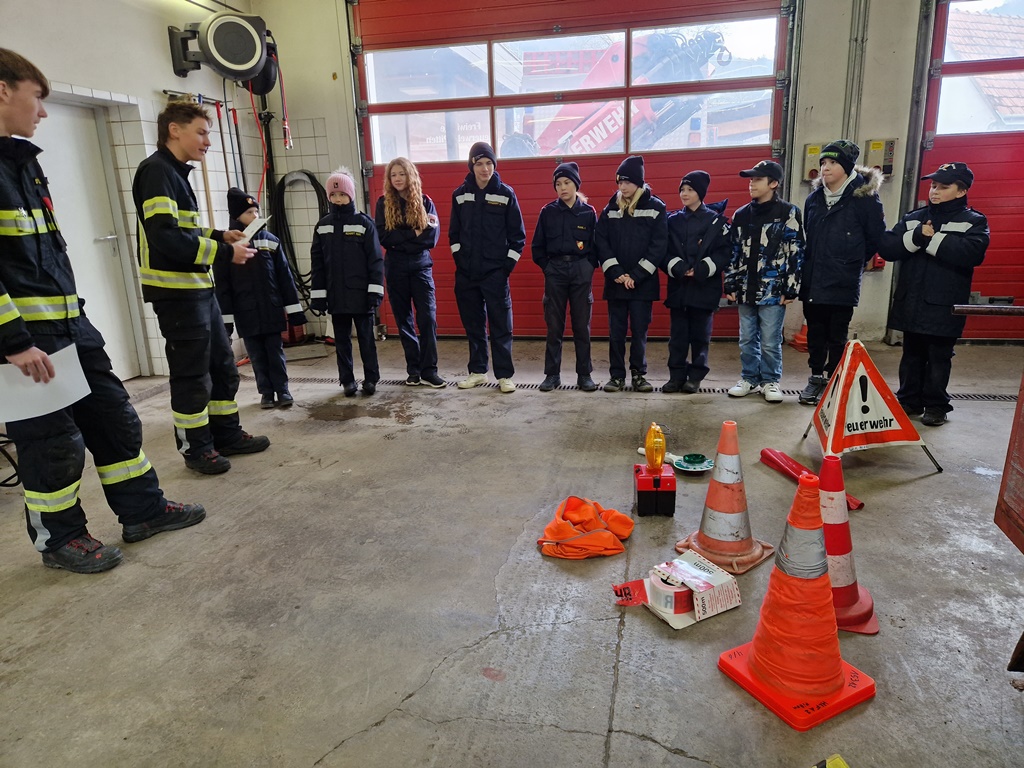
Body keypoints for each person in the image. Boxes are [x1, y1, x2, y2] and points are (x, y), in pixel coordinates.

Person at [0, 48, 204, 573]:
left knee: (115, 419)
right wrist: (14, 342)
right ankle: (60, 539)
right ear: (3, 90)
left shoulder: (22, 165)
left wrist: (78, 318)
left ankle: (143, 512)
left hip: (70, 326)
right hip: (25, 341)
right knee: (51, 443)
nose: (43, 112)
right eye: (37, 98)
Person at [133, 101, 269, 475]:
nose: (208, 141)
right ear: (174, 130)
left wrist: (219, 235)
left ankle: (226, 435)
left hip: (197, 289)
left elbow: (185, 231)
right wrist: (225, 252)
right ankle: (196, 448)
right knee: (192, 376)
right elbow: (165, 237)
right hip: (175, 293)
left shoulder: (175, 173)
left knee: (223, 368)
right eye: (202, 132)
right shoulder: (157, 172)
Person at [879, 162, 988, 427]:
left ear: (961, 191)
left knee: (939, 356)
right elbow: (889, 248)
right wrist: (916, 236)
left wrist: (933, 239)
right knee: (912, 353)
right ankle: (909, 400)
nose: (935, 191)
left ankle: (937, 406)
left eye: (943, 187)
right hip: (912, 300)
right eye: (933, 186)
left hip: (944, 304)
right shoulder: (914, 217)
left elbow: (972, 253)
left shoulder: (974, 221)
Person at [798, 140, 886, 405]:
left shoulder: (865, 199)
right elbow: (809, 234)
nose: (825, 168)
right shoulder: (814, 199)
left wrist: (851, 261)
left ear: (847, 167)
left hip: (843, 278)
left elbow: (874, 237)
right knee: (815, 331)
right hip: (814, 276)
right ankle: (816, 377)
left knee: (836, 333)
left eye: (833, 162)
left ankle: (834, 379)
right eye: (823, 162)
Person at [216, 187, 307, 409]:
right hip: (246, 313)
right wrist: (226, 323)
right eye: (249, 213)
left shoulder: (271, 241)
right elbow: (223, 288)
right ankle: (266, 393)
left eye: (256, 211)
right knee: (256, 356)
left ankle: (283, 390)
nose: (255, 216)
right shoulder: (226, 247)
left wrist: (295, 312)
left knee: (276, 353)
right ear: (236, 217)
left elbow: (285, 278)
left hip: (271, 310)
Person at [723, 160, 805, 403]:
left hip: (773, 290)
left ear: (773, 183)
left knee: (770, 340)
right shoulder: (741, 215)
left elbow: (796, 251)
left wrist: (791, 287)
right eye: (751, 179)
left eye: (757, 179)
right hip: (745, 288)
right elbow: (733, 252)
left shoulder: (788, 213)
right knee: (747, 338)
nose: (752, 184)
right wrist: (730, 283)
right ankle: (749, 378)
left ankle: (770, 381)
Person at [449, 141, 526, 394]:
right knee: (474, 325)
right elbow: (454, 235)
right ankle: (478, 371)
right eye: (480, 163)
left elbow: (518, 237)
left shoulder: (506, 194)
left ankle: (504, 375)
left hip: (495, 274)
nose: (485, 169)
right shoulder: (459, 195)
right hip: (467, 274)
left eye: (489, 163)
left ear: (494, 165)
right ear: (471, 166)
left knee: (501, 326)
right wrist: (460, 261)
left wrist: (505, 269)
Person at [595, 155, 667, 393]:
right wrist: (616, 272)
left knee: (639, 332)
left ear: (639, 183)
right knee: (616, 333)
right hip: (616, 284)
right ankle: (616, 376)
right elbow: (601, 241)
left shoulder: (656, 208)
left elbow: (658, 246)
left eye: (627, 182)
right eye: (619, 182)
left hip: (642, 285)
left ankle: (638, 375)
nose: (622, 187)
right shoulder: (610, 209)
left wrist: (636, 275)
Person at [310, 167, 384, 396]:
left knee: (366, 340)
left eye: (342, 194)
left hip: (361, 296)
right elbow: (317, 264)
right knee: (341, 341)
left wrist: (375, 292)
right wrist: (319, 297)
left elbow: (375, 260)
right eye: (333, 195)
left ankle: (371, 379)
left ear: (350, 195)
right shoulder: (322, 226)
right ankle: (347, 380)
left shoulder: (364, 223)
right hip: (336, 296)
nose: (338, 199)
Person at [374, 157, 444, 388]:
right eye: (393, 175)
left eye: (402, 174)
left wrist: (401, 240)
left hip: (421, 267)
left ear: (410, 175)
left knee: (427, 318)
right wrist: (414, 233)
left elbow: (431, 238)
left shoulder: (425, 202)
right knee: (404, 320)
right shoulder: (383, 204)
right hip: (395, 269)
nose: (397, 179)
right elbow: (384, 238)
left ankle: (429, 371)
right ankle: (413, 370)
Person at [531, 161, 598, 392]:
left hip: (581, 271)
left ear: (576, 185)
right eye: (558, 184)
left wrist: (588, 267)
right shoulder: (548, 212)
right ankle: (552, 375)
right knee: (554, 326)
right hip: (555, 272)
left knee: (581, 326)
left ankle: (584, 375)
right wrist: (548, 268)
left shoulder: (588, 213)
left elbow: (597, 246)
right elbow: (537, 247)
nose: (562, 188)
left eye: (567, 183)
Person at [661, 170, 731, 394]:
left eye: (690, 189)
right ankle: (676, 376)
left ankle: (695, 377)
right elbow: (663, 251)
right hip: (679, 289)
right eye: (682, 189)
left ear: (700, 193)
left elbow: (724, 252)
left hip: (704, 289)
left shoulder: (715, 222)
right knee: (678, 337)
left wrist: (702, 269)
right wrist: (679, 267)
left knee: (700, 337)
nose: (684, 193)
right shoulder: (672, 221)